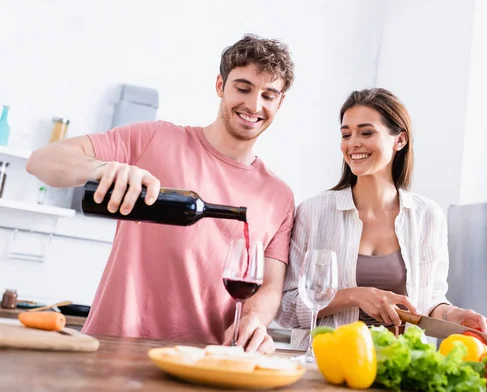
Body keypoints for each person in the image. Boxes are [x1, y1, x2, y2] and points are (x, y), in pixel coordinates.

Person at [26, 34, 296, 354]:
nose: (254, 105)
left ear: (280, 103)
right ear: (220, 86)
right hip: (113, 350)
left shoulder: (279, 196)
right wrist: (101, 169)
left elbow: (269, 286)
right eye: (243, 88)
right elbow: (40, 162)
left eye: (268, 95)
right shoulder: (156, 138)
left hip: (206, 360)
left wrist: (253, 320)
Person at [276, 88, 487, 350]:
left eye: (366, 132)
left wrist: (453, 316)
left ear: (399, 140)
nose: (352, 143)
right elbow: (286, 308)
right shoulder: (313, 212)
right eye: (346, 134)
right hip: (325, 365)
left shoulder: (428, 216)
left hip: (398, 369)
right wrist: (355, 296)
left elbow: (429, 301)